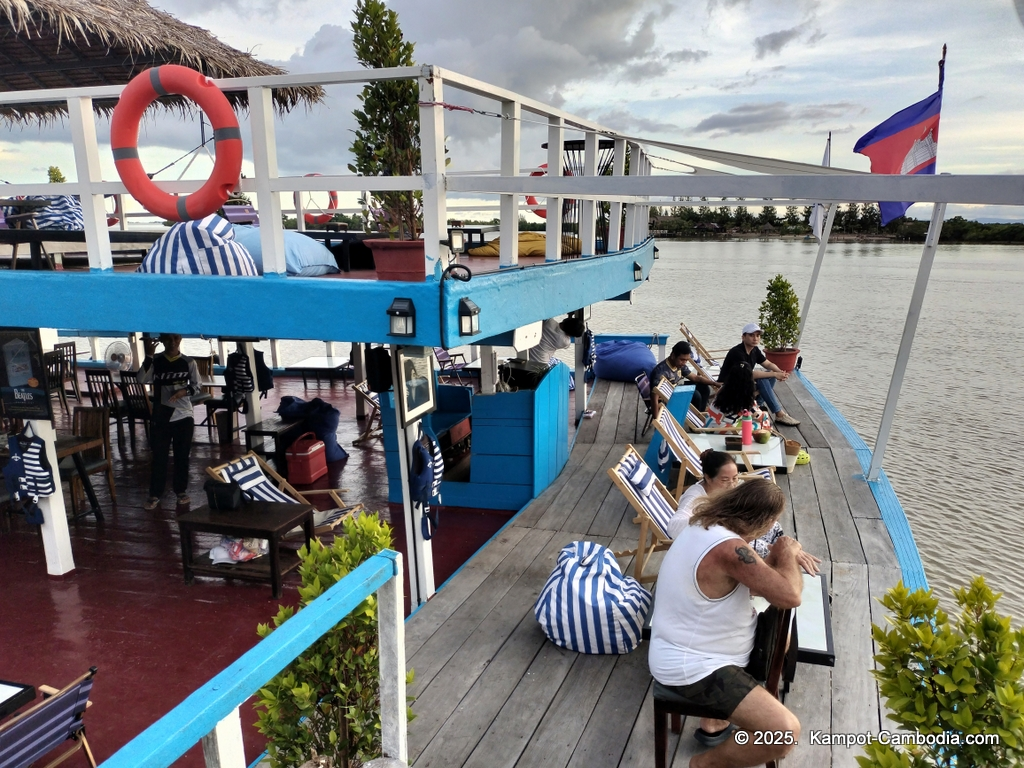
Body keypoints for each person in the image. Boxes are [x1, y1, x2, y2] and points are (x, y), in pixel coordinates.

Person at [648, 480, 804, 767]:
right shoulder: (729, 549)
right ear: (765, 522)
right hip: (694, 665)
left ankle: (720, 725)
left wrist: (774, 563)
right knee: (783, 732)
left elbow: (750, 580)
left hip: (697, 650)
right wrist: (787, 552)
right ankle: (703, 765)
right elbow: (790, 596)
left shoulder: (704, 526)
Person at [669, 450, 821, 573]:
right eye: (725, 480)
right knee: (769, 549)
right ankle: (780, 567)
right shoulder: (694, 496)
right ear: (708, 478)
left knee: (772, 525)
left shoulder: (728, 489)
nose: (732, 484)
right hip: (710, 545)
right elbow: (673, 527)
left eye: (735, 478)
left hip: (734, 534)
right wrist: (715, 521)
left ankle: (788, 556)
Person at [139, 333, 201, 510]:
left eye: (176, 338)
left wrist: (185, 391)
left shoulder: (189, 362)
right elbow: (141, 379)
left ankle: (180, 490)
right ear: (162, 341)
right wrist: (149, 355)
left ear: (180, 339)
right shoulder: (156, 361)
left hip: (184, 415)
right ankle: (155, 494)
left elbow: (197, 385)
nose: (172, 342)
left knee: (182, 456)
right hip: (161, 415)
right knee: (159, 457)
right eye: (168, 339)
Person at [718, 323, 800, 426]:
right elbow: (750, 374)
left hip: (743, 383)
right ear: (743, 337)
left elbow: (767, 363)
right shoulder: (737, 352)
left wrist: (780, 372)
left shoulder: (754, 350)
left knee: (768, 376)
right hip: (729, 385)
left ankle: (758, 404)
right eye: (751, 335)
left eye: (757, 335)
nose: (755, 338)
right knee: (763, 379)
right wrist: (774, 374)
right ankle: (779, 414)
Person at [650, 340, 721, 414]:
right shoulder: (660, 372)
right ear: (673, 356)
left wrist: (714, 383)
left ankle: (699, 416)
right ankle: (696, 420)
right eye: (682, 360)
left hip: (676, 391)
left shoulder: (679, 364)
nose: (684, 363)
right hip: (668, 400)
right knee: (695, 395)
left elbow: (695, 378)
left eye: (686, 360)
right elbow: (654, 398)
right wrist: (656, 420)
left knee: (704, 388)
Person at [705, 362, 770, 430]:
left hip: (709, 426)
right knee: (764, 422)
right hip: (723, 430)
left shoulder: (722, 389)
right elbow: (761, 418)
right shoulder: (744, 397)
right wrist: (765, 413)